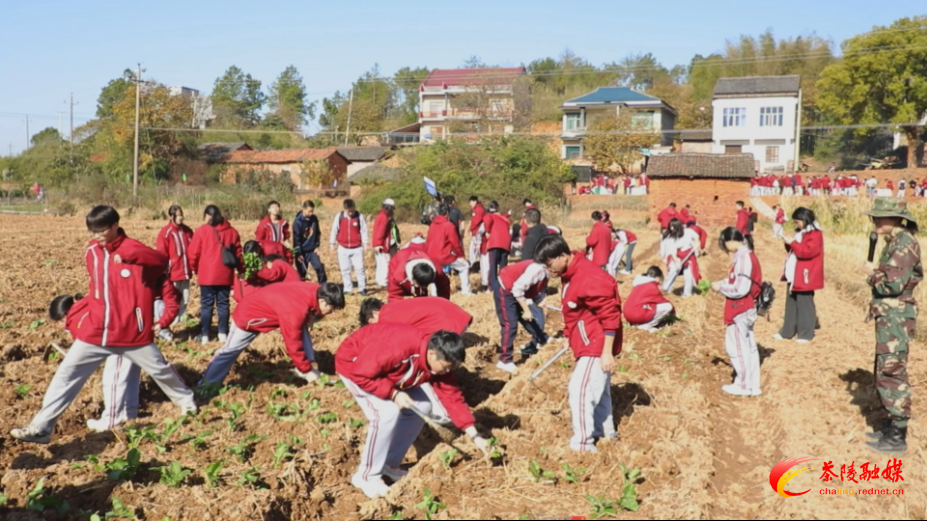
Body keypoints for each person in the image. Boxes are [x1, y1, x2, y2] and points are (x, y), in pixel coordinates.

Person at [10, 207, 196, 444]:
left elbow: (161, 261)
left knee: (160, 370)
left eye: (102, 230)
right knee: (66, 375)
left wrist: (132, 257)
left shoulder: (135, 250)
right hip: (96, 332)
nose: (97, 235)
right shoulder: (91, 251)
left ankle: (187, 403)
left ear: (115, 225)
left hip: (131, 332)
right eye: (92, 230)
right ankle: (41, 427)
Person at [336, 325, 490, 498]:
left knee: (423, 406)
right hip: (356, 365)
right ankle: (366, 476)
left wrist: (474, 435)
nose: (447, 372)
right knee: (386, 413)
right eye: (446, 367)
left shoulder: (438, 360)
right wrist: (393, 394)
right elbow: (362, 374)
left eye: (450, 368)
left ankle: (389, 464)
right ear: (432, 354)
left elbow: (452, 397)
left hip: (387, 371)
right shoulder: (398, 348)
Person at [533, 235, 622, 452]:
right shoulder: (569, 273)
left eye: (549, 263)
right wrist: (568, 335)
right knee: (598, 391)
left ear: (563, 255)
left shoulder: (588, 276)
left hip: (596, 344)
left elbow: (611, 315)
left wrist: (606, 352)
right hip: (586, 340)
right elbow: (572, 310)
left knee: (579, 391)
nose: (549, 270)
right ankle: (607, 433)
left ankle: (583, 445)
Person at [861, 198, 922, 452]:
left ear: (896, 218)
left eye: (880, 217)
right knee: (885, 369)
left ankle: (898, 437)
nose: (875, 221)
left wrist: (872, 274)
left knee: (892, 371)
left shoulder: (904, 244)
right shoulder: (896, 242)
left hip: (896, 317)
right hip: (890, 316)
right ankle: (890, 426)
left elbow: (893, 285)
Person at [199, 282, 345, 389]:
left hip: (265, 306)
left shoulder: (315, 290)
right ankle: (206, 385)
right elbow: (292, 344)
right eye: (331, 309)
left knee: (303, 329)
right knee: (229, 352)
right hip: (249, 316)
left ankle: (308, 365)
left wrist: (312, 317)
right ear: (322, 301)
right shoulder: (296, 310)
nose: (331, 313)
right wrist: (305, 371)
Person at [87, 273, 182, 431]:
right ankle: (129, 413)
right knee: (131, 373)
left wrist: (162, 323)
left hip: (125, 331)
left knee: (114, 376)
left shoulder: (136, 275)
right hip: (138, 331)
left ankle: (110, 420)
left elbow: (172, 302)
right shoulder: (138, 274)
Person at [712, 227, 762, 397]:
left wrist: (721, 287)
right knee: (748, 347)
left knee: (737, 348)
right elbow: (738, 280)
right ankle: (753, 385)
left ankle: (742, 384)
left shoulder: (743, 259)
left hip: (739, 308)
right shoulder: (746, 256)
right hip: (747, 308)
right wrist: (723, 281)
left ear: (730, 241)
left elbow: (740, 288)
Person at [189, 205, 242, 344]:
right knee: (223, 304)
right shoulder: (232, 232)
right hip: (225, 274)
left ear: (208, 216)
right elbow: (238, 254)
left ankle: (205, 335)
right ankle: (223, 334)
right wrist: (241, 270)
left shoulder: (202, 231)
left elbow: (193, 253)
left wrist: (194, 268)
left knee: (206, 305)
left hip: (207, 274)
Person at [775, 207, 823, 344]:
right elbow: (796, 250)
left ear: (805, 219)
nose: (797, 225)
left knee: (804, 303)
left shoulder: (815, 234)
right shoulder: (802, 232)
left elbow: (807, 252)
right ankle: (787, 331)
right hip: (794, 272)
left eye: (798, 222)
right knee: (791, 302)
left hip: (805, 273)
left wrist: (793, 243)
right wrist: (788, 244)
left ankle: (806, 334)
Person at [493, 259, 550, 373]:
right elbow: (517, 289)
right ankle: (504, 360)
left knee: (527, 319)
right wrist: (526, 309)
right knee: (510, 324)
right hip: (505, 289)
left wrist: (538, 300)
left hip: (514, 290)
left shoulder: (545, 273)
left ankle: (542, 338)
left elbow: (532, 288)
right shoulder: (538, 270)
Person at [155, 204, 194, 322]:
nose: (180, 218)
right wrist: (164, 271)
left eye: (181, 215)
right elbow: (162, 254)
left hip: (186, 271)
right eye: (177, 216)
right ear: (171, 216)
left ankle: (182, 317)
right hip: (173, 272)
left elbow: (194, 250)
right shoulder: (165, 233)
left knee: (185, 296)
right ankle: (173, 318)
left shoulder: (188, 231)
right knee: (174, 297)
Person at [359, 297, 473, 336]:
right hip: (459, 319)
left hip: (451, 328)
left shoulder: (386, 317)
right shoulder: (393, 307)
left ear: (375, 313)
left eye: (371, 322)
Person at [426, 204, 472, 295]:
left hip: (431, 255)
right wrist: (460, 254)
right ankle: (465, 291)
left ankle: (435, 294)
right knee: (464, 266)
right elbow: (455, 243)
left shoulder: (432, 225)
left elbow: (428, 241)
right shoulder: (449, 225)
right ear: (447, 213)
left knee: (438, 273)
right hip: (444, 255)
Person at [329, 199, 369, 296]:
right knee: (345, 269)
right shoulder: (340, 217)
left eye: (352, 210)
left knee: (360, 269)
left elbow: (364, 230)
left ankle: (362, 288)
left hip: (357, 248)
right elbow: (334, 230)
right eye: (349, 211)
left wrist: (365, 243)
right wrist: (332, 244)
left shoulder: (359, 216)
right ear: (344, 209)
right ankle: (347, 288)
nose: (351, 213)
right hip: (343, 248)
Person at [624, 266, 675, 332]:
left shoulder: (639, 283)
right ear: (657, 277)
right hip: (635, 315)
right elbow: (663, 301)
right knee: (668, 306)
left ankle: (638, 323)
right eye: (660, 280)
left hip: (627, 313)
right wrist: (673, 313)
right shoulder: (652, 286)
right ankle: (644, 326)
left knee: (652, 306)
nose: (660, 283)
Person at [661, 218, 701, 298]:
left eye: (673, 226)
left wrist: (697, 245)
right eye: (670, 227)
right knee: (673, 271)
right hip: (678, 256)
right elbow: (673, 252)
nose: (671, 228)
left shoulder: (688, 231)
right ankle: (665, 289)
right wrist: (676, 262)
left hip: (689, 256)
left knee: (689, 275)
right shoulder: (671, 237)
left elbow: (697, 237)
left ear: (678, 226)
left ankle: (687, 294)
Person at [292, 200, 327, 283]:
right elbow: (296, 239)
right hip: (302, 251)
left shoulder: (314, 219)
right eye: (309, 211)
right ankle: (301, 289)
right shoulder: (297, 222)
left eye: (312, 211)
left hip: (312, 250)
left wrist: (317, 246)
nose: (311, 213)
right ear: (303, 209)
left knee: (319, 267)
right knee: (302, 272)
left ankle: (323, 286)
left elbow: (317, 233)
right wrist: (298, 253)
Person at [482, 201, 511, 291]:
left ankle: (492, 286)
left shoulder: (489, 216)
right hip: (506, 242)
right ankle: (503, 284)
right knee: (503, 265)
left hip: (495, 241)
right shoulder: (504, 218)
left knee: (493, 265)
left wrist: (487, 231)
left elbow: (487, 221)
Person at [372, 198, 399, 288]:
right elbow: (381, 231)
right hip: (383, 244)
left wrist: (376, 243)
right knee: (385, 263)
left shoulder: (381, 215)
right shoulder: (385, 217)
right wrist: (379, 243)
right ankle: (383, 281)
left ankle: (379, 280)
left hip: (378, 243)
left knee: (380, 262)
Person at [468, 196, 486, 274]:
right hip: (476, 233)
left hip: (478, 233)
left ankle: (478, 267)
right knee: (472, 250)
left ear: (475, 201)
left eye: (471, 202)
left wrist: (471, 230)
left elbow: (476, 221)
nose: (470, 204)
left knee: (475, 251)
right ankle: (475, 266)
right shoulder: (476, 209)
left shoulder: (478, 210)